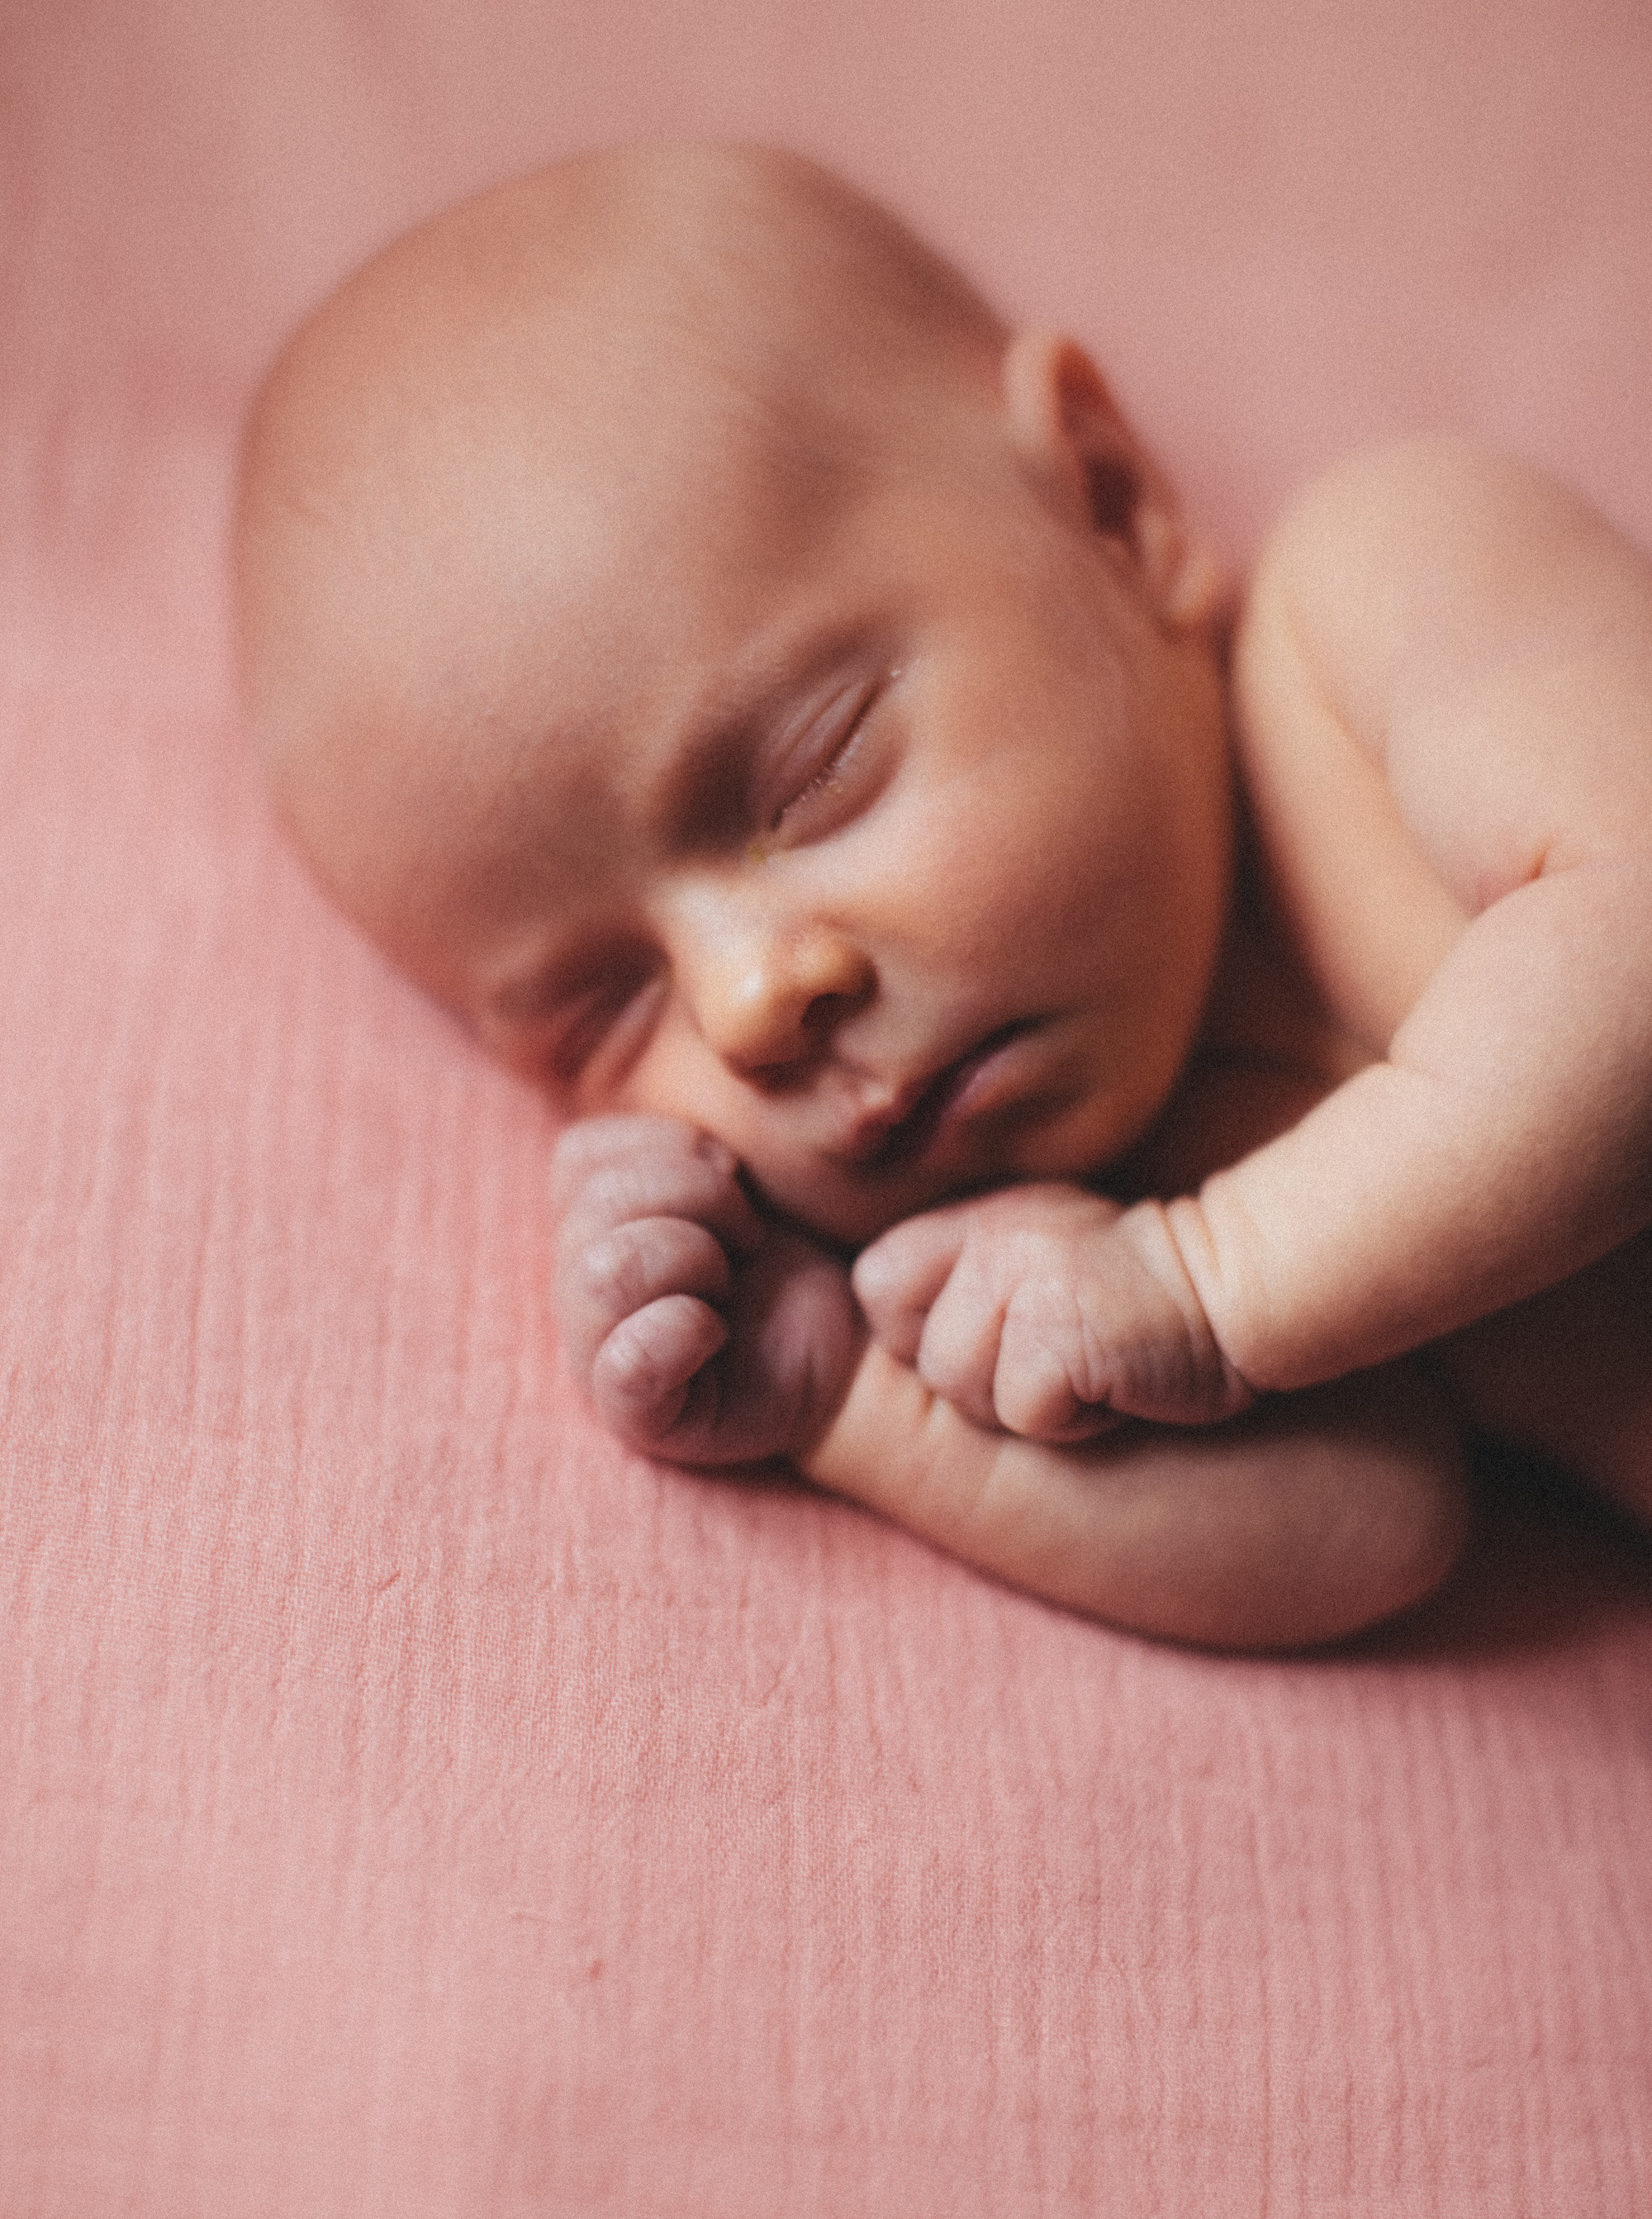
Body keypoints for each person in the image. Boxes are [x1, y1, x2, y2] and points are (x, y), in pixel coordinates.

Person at [233, 141, 1652, 1647]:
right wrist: (849, 1393)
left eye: (812, 780)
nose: (749, 1005)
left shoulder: (1386, 582)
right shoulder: (1089, 1217)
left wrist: (1208, 1285)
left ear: (1107, 500)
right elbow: (1368, 1526)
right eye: (607, 1010)